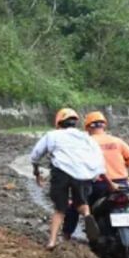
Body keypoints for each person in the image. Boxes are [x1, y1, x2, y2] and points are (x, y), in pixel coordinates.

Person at [29, 107, 107, 250]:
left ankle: (52, 241)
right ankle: (87, 215)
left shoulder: (52, 135)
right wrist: (95, 174)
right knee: (82, 203)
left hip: (61, 173)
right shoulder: (86, 137)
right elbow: (98, 158)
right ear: (75, 123)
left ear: (59, 123)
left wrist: (37, 173)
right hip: (82, 174)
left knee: (60, 209)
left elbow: (36, 155)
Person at [83, 111, 129, 240]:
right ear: (104, 126)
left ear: (88, 127)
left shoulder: (86, 143)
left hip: (99, 184)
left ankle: (93, 235)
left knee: (87, 204)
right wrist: (120, 164)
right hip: (121, 183)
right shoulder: (117, 141)